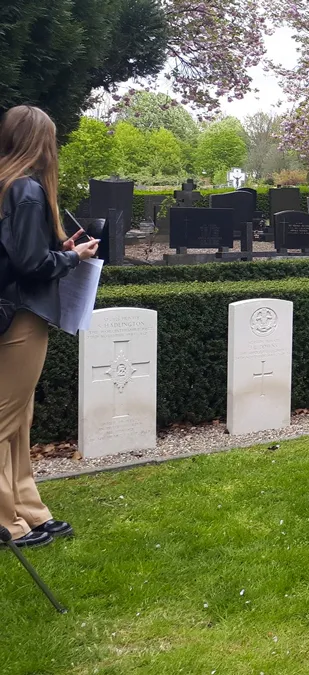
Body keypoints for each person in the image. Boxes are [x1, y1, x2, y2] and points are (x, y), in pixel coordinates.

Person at [0, 105, 99, 548]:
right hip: (22, 314)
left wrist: (56, 244)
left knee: (19, 420)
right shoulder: (28, 190)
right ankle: (6, 522)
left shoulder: (9, 184)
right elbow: (29, 264)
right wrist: (71, 258)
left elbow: (16, 252)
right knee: (5, 419)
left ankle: (28, 510)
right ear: (40, 141)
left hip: (13, 309)